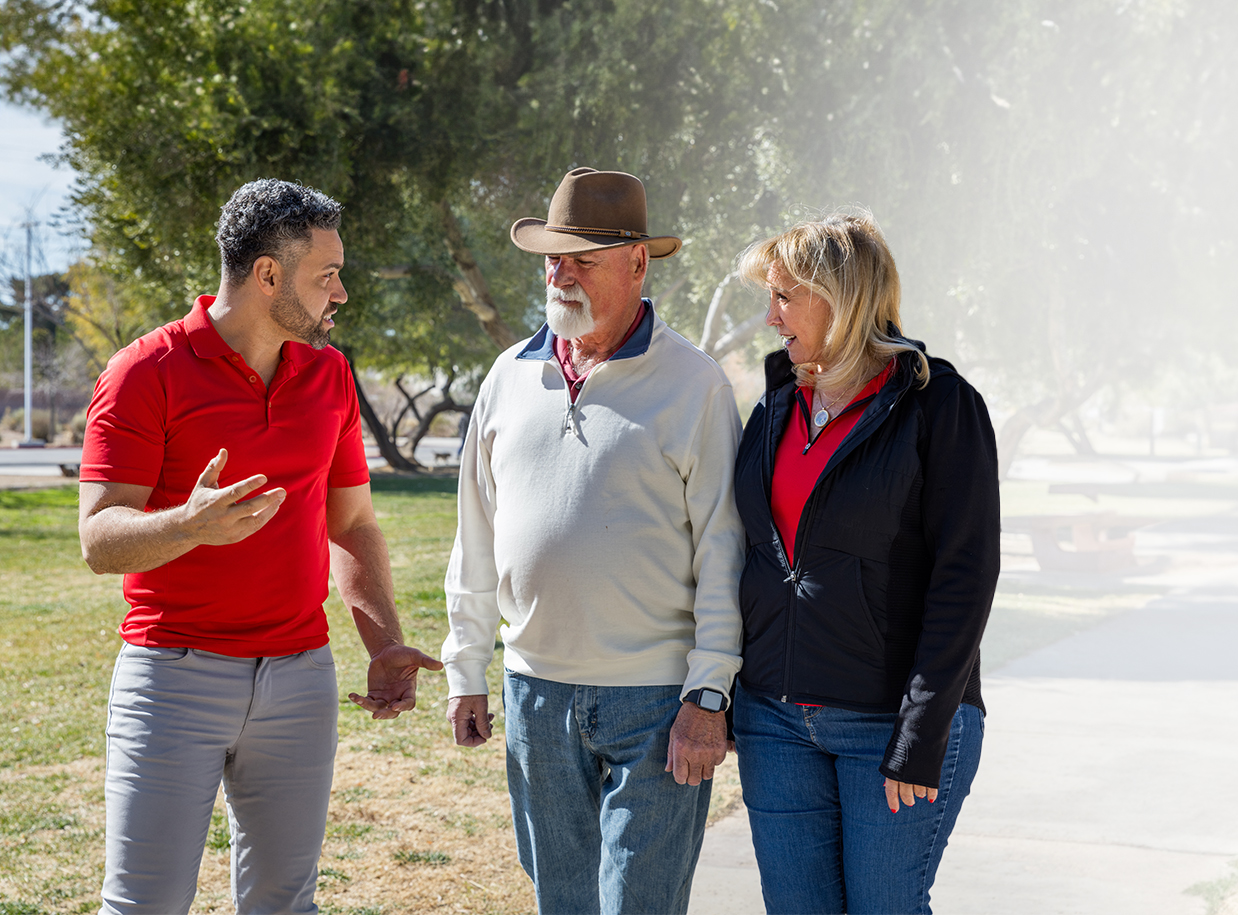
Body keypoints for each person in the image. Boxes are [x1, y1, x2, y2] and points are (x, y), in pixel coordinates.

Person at [77, 178, 443, 915]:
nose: (339, 294)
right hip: (171, 679)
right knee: (144, 904)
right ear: (268, 274)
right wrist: (187, 524)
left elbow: (353, 523)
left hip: (300, 679)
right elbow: (98, 537)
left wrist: (383, 641)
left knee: (285, 903)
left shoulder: (330, 374)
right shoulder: (144, 371)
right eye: (327, 275)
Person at [441, 167, 745, 915]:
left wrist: (709, 693)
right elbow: (475, 532)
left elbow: (725, 551)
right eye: (553, 256)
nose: (561, 272)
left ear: (638, 262)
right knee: (562, 904)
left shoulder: (694, 383)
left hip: (657, 701)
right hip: (534, 693)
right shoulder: (508, 376)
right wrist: (465, 666)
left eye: (583, 256)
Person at [730, 211, 999, 915]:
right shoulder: (775, 409)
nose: (771, 316)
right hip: (776, 720)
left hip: (889, 726)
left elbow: (964, 577)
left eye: (784, 296)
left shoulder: (939, 405)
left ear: (837, 297)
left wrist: (920, 731)